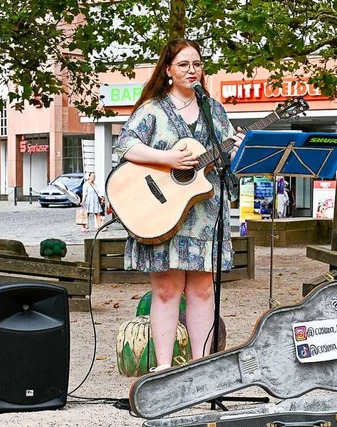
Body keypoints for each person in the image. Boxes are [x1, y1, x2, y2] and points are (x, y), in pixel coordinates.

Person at [114, 39, 243, 372]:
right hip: (163, 212)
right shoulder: (153, 108)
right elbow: (125, 145)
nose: (192, 70)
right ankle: (164, 369)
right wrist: (167, 157)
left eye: (197, 64)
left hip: (204, 212)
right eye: (184, 64)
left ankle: (199, 369)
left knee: (202, 290)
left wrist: (234, 148)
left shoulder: (214, 110)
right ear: (168, 70)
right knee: (168, 289)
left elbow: (224, 156)